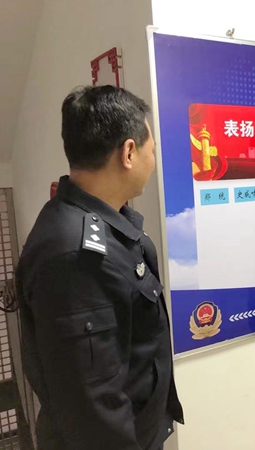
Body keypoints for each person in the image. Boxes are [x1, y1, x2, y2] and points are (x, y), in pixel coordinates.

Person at [16, 86, 183, 450]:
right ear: (128, 153)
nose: (153, 159)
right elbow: (93, 407)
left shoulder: (103, 223)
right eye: (152, 149)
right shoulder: (76, 255)